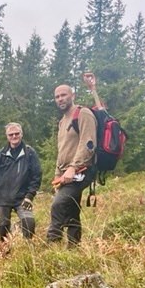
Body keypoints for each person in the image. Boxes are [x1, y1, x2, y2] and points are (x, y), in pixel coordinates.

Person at [47, 79, 97, 246]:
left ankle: (51, 246)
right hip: (65, 174)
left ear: (72, 95)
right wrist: (58, 175)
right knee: (71, 210)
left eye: (63, 95)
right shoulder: (62, 121)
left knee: (58, 205)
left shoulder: (83, 114)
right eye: (57, 96)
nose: (60, 99)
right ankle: (74, 248)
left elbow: (88, 143)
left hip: (82, 171)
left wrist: (73, 168)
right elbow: (61, 151)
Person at [0, 122, 42, 240]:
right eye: (10, 134)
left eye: (16, 133)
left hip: (22, 198)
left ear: (21, 134)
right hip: (2, 199)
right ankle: (5, 254)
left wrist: (30, 196)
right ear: (7, 136)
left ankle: (27, 252)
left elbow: (36, 176)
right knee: (2, 230)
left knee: (29, 223)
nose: (14, 136)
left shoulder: (30, 153)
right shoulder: (0, 155)